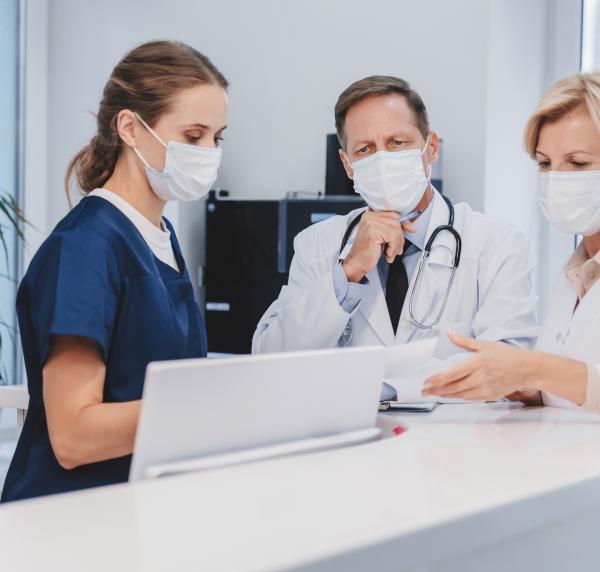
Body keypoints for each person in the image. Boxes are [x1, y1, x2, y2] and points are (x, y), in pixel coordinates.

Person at [1, 40, 228, 501]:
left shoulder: (156, 236)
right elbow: (73, 435)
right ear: (130, 127)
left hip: (135, 506)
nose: (208, 152)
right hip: (68, 517)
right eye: (193, 135)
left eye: (217, 138)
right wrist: (214, 411)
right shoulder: (87, 245)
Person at [252, 76, 538, 353]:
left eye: (397, 143)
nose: (382, 159)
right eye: (365, 149)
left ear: (432, 148)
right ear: (347, 165)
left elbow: (512, 370)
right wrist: (347, 272)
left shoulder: (497, 245)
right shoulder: (317, 245)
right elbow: (269, 356)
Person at [423, 73, 600, 410]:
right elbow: (577, 387)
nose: (556, 180)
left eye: (577, 163)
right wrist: (526, 385)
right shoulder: (577, 273)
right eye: (545, 163)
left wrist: (532, 369)